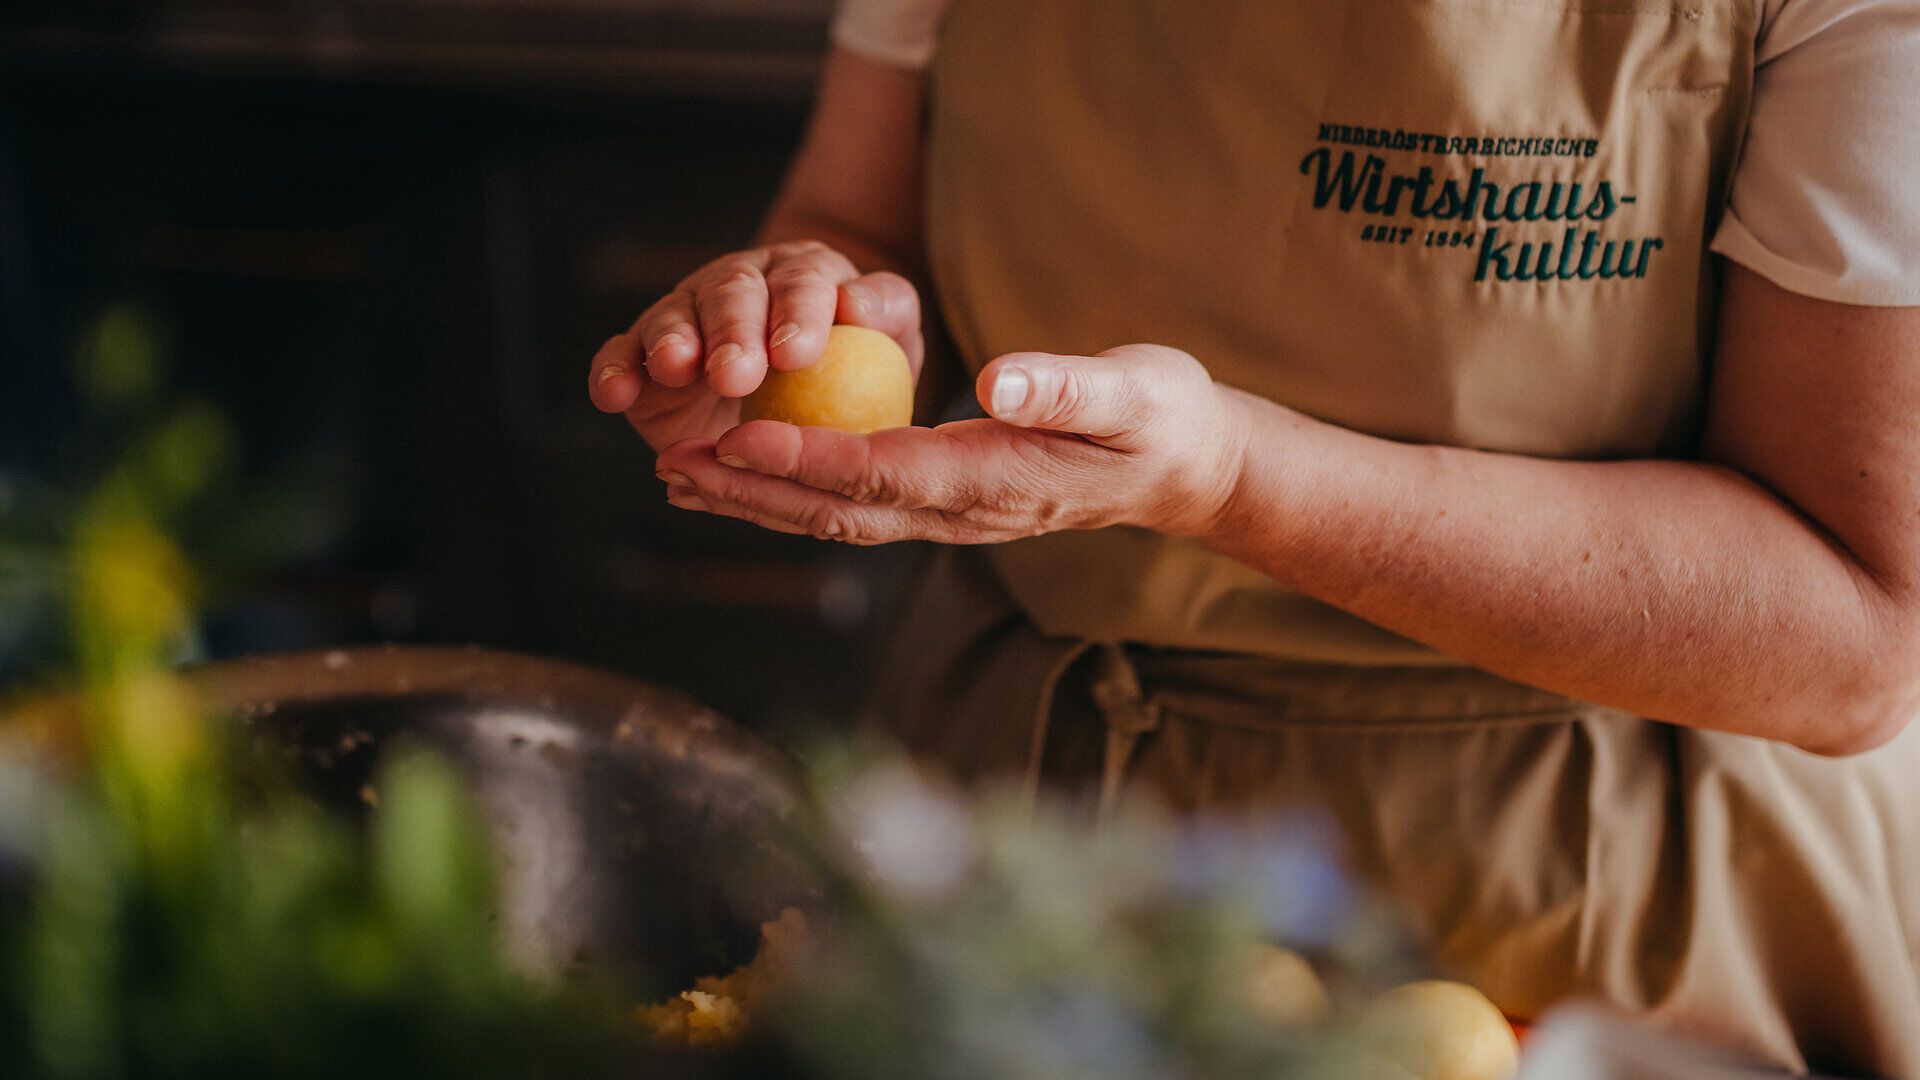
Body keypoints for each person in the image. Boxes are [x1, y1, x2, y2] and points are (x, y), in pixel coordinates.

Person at [589, 1, 1920, 1074]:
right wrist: (809, 306)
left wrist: (1230, 480)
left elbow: (1855, 631)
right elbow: (863, 214)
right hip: (1024, 877)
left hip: (1589, 935)